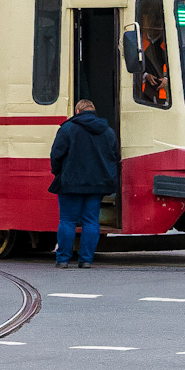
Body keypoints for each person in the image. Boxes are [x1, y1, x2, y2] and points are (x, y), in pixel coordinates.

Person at [49, 99, 119, 268]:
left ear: (77, 111)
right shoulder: (107, 131)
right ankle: (86, 259)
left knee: (67, 221)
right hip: (97, 184)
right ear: (93, 112)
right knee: (91, 221)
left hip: (70, 183)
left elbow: (56, 156)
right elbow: (114, 156)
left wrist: (59, 173)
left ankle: (63, 260)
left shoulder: (67, 129)